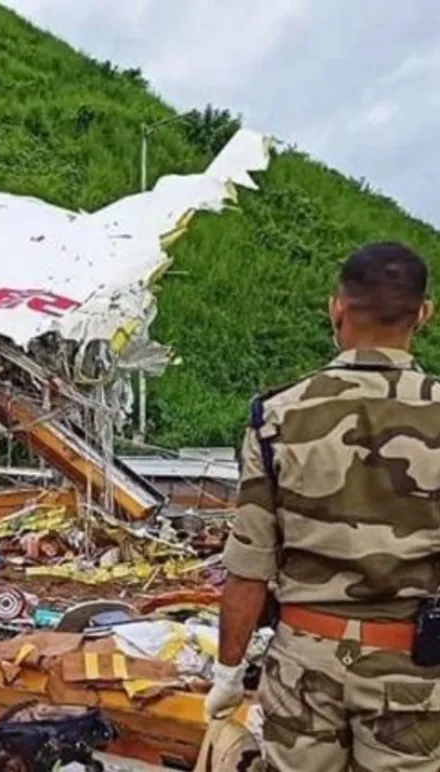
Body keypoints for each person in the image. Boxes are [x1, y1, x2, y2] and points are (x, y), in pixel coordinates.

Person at [207, 242, 440, 771]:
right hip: (413, 672)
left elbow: (247, 568)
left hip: (304, 664)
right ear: (422, 314)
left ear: (336, 307)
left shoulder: (277, 417)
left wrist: (228, 673)